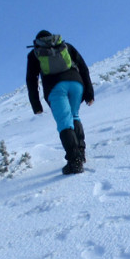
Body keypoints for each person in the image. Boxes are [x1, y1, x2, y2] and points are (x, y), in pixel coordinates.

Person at [26, 30, 94, 174]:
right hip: (76, 83)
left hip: (56, 87)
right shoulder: (65, 46)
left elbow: (31, 80)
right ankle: (80, 155)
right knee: (74, 116)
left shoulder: (35, 54)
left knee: (64, 122)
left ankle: (74, 162)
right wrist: (89, 93)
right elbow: (83, 67)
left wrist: (36, 105)